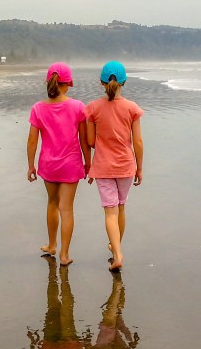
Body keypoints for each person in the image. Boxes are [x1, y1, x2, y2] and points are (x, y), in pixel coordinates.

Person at [27, 62, 90, 266]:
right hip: (71, 164)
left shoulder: (38, 108)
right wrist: (88, 163)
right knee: (67, 209)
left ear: (49, 82)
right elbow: (83, 140)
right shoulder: (78, 107)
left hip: (48, 165)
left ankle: (51, 244)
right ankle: (64, 255)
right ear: (68, 83)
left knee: (52, 203)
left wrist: (30, 165)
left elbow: (32, 141)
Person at [85, 60, 144, 271]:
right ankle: (116, 247)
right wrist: (140, 168)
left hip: (103, 166)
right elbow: (137, 142)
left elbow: (90, 142)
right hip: (126, 165)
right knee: (121, 207)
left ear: (102, 82)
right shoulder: (132, 108)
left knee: (110, 211)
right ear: (124, 82)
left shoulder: (92, 108)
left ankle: (117, 253)